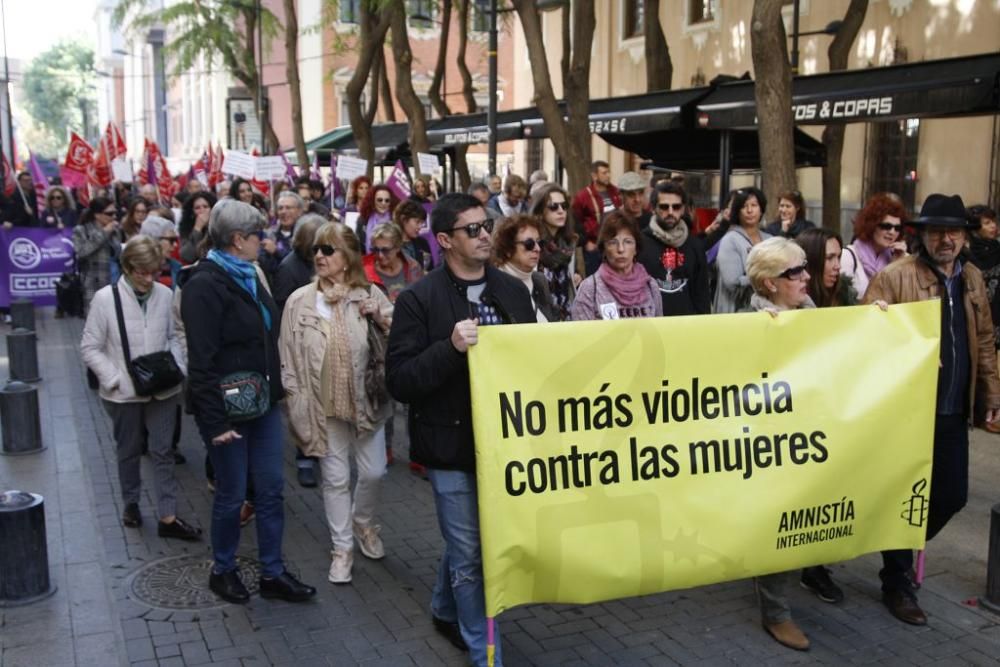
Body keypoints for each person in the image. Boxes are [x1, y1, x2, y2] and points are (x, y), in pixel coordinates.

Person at [386, 193, 534, 665]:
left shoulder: (512, 292)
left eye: (486, 224)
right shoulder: (417, 299)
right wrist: (449, 347)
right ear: (445, 240)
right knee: (471, 552)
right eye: (473, 229)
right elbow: (401, 380)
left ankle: (441, 606)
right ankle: (484, 652)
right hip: (449, 445)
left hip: (503, 444)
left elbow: (532, 364)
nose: (485, 234)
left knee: (472, 539)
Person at [864, 193, 1000, 626]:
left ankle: (896, 551)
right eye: (938, 230)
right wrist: (905, 348)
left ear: (964, 236)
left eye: (955, 231)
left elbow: (983, 340)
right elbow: (866, 337)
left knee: (952, 495)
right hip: (908, 411)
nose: (947, 239)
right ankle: (897, 580)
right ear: (922, 234)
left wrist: (991, 397)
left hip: (953, 409)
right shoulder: (894, 277)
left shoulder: (972, 277)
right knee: (907, 494)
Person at [180, 198, 316, 605]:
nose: (264, 239)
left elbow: (265, 334)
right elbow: (201, 362)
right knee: (232, 493)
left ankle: (272, 572)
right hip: (228, 411)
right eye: (258, 234)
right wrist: (215, 424)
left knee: (272, 490)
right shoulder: (203, 284)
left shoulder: (251, 273)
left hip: (262, 404)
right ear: (238, 240)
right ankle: (223, 569)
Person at [280, 223, 393, 584]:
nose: (319, 257)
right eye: (317, 250)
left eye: (328, 250)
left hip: (367, 402)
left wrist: (380, 317)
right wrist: (296, 403)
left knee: (374, 471)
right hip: (322, 405)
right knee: (336, 479)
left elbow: (399, 339)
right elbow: (288, 357)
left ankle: (364, 523)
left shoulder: (370, 294)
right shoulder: (300, 301)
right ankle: (342, 549)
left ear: (347, 259)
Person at [80, 235, 200, 539]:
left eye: (153, 271)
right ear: (127, 267)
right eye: (141, 272)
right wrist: (114, 378)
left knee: (163, 452)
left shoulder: (163, 293)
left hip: (163, 388)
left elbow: (174, 335)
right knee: (129, 450)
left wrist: (179, 366)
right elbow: (90, 347)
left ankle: (168, 516)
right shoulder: (106, 299)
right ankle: (131, 502)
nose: (148, 278)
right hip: (123, 394)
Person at [742, 237, 815, 651]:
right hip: (770, 446)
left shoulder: (813, 315)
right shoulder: (747, 325)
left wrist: (876, 324)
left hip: (811, 437)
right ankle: (777, 613)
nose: (806, 276)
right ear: (769, 284)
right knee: (778, 525)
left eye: (804, 267)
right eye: (794, 272)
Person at [636, 181, 710, 316]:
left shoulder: (694, 246)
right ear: (653, 208)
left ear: (683, 209)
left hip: (686, 327)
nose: (670, 212)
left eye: (676, 207)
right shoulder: (639, 244)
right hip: (650, 327)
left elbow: (702, 295)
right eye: (664, 207)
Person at [571, 211, 661, 320]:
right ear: (604, 249)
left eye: (628, 242)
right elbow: (582, 334)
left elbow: (658, 331)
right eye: (613, 242)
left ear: (636, 248)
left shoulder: (651, 286)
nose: (621, 249)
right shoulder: (590, 288)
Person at [713, 187, 771, 313]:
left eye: (754, 205)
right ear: (737, 211)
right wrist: (765, 277)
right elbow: (732, 283)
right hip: (735, 311)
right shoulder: (730, 240)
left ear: (761, 209)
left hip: (765, 310)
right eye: (744, 206)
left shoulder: (770, 240)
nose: (750, 210)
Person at [529, 184, 582, 321]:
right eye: (553, 206)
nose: (560, 211)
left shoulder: (568, 244)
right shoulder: (532, 244)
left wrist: (574, 278)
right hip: (540, 320)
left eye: (564, 206)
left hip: (566, 317)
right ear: (540, 211)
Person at [840, 193, 908, 298]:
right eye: (886, 226)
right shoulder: (848, 256)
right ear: (872, 225)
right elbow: (841, 299)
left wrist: (897, 265)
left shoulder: (899, 258)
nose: (892, 232)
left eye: (897, 228)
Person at [491, 214, 556, 322]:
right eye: (529, 244)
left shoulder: (540, 281)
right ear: (507, 249)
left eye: (539, 242)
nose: (537, 248)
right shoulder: (494, 285)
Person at [73, 197, 122, 316]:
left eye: (115, 213)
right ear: (97, 215)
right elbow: (82, 252)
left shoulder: (115, 230)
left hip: (115, 278)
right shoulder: (82, 230)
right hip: (94, 282)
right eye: (109, 214)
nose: (114, 216)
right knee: (95, 319)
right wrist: (104, 232)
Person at [965, 205, 1000, 353]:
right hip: (974, 317)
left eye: (993, 221)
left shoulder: (998, 250)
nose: (993, 226)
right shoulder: (965, 254)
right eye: (987, 223)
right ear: (974, 228)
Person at [796, 228, 857, 309]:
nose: (838, 266)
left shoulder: (845, 296)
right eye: (830, 258)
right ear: (810, 260)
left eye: (838, 257)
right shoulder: (788, 302)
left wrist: (873, 310)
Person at [258, 191, 304, 280]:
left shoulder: (304, 235)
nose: (284, 211)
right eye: (280, 208)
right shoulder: (269, 234)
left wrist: (276, 252)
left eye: (288, 208)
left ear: (299, 211)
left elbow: (300, 263)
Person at [179, 192, 218, 264]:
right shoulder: (186, 229)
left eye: (205, 207)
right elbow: (187, 256)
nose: (202, 210)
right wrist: (197, 229)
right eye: (197, 208)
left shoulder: (219, 227)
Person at [394, 200, 434, 271]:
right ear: (403, 219)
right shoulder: (390, 244)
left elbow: (430, 270)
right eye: (417, 222)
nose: (420, 226)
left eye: (422, 223)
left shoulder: (423, 243)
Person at [357, 184, 398, 251]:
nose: (383, 203)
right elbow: (359, 246)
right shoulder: (363, 219)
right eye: (380, 200)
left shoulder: (395, 220)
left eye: (387, 200)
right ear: (373, 201)